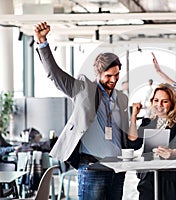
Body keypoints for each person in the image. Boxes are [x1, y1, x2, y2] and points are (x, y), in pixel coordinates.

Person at [34, 22, 136, 199]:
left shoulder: (122, 98)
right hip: (92, 168)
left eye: (117, 75)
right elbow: (54, 74)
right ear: (98, 74)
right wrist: (42, 42)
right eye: (109, 76)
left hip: (118, 170)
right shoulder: (83, 89)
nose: (114, 79)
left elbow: (124, 133)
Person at [127, 83, 176, 200]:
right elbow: (133, 144)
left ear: (172, 103)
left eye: (164, 101)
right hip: (148, 178)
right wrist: (134, 117)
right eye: (156, 100)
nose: (159, 105)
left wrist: (172, 153)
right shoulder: (147, 122)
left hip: (172, 179)